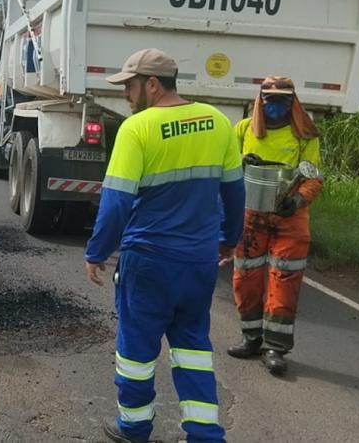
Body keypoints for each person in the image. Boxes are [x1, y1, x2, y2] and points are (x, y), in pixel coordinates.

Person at [84, 48, 244, 443]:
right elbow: (236, 192)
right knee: (193, 348)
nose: (126, 95)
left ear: (152, 85)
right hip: (200, 262)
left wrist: (97, 251)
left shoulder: (138, 129)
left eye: (130, 86)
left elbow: (117, 200)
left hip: (149, 262)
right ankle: (206, 434)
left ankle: (134, 429)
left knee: (137, 352)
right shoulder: (218, 122)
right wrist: (229, 239)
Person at [225, 77, 322, 375]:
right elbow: (222, 161)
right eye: (270, 99)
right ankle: (251, 338)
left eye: (282, 101)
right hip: (251, 215)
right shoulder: (243, 130)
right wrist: (241, 159)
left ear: (292, 102)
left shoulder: (305, 135)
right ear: (260, 100)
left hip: (289, 217)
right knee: (246, 276)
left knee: (284, 279)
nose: (275, 106)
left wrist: (298, 200)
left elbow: (314, 176)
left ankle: (275, 347)